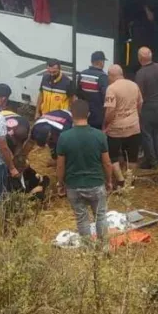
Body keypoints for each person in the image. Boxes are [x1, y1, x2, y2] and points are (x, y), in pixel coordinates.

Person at [56, 99, 114, 244]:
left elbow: (60, 166)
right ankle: (104, 247)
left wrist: (60, 183)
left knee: (82, 218)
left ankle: (88, 249)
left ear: (71, 115)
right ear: (88, 114)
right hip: (96, 183)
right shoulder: (99, 135)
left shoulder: (64, 137)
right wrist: (109, 181)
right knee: (100, 216)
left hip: (74, 186)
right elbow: (107, 163)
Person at [102, 64, 143, 190]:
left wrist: (106, 124)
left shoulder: (111, 88)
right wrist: (135, 115)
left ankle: (120, 180)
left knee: (113, 155)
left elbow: (110, 111)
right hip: (133, 126)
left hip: (116, 129)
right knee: (132, 156)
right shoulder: (134, 85)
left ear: (111, 75)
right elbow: (140, 102)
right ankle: (130, 181)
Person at [134, 47, 158, 170]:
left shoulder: (141, 74)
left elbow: (138, 94)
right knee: (157, 132)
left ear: (140, 59)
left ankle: (152, 161)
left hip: (147, 107)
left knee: (147, 135)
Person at [75, 51, 109, 130]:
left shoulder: (82, 74)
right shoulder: (102, 77)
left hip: (84, 115)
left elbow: (78, 93)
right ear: (101, 62)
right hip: (98, 118)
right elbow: (106, 97)